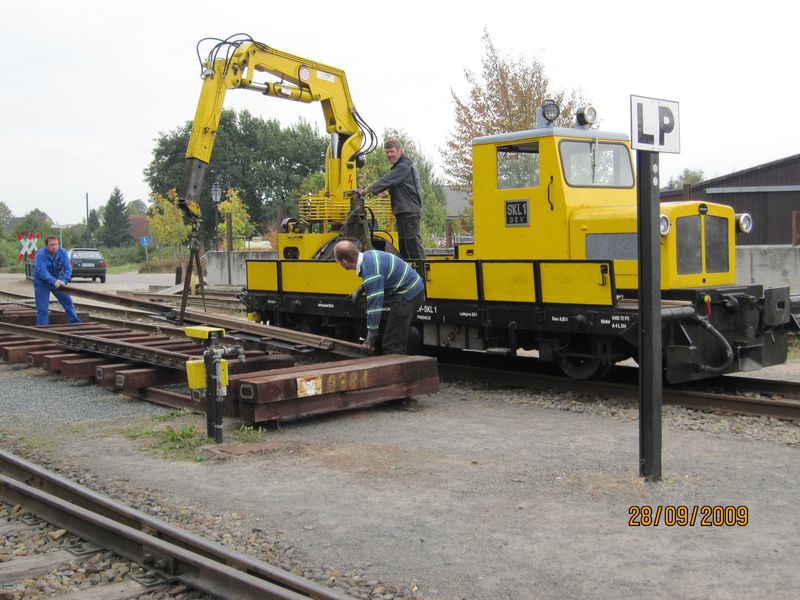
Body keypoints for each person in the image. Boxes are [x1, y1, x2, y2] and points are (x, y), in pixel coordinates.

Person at [333, 240, 425, 354]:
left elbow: (375, 308)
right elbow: (375, 278)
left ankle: (395, 368)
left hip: (408, 294)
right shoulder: (368, 256)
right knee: (396, 332)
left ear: (345, 262)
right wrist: (357, 292)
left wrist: (370, 338)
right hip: (412, 288)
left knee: (392, 343)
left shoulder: (371, 272)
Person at [359, 140, 426, 261]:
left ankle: (423, 274)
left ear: (400, 150)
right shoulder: (403, 166)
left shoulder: (404, 166)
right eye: (387, 152)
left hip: (409, 211)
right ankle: (409, 273)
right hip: (403, 210)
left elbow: (387, 180)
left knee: (413, 244)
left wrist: (366, 190)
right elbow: (402, 185)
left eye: (392, 151)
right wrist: (386, 192)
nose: (389, 154)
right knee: (404, 245)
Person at [32, 236, 80, 326]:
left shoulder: (63, 253)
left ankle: (75, 324)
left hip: (58, 281)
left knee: (68, 302)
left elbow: (68, 268)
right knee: (42, 308)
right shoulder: (40, 255)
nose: (54, 247)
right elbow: (42, 272)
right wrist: (55, 282)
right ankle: (43, 328)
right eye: (51, 245)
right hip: (42, 282)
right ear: (46, 246)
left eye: (56, 244)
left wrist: (64, 280)